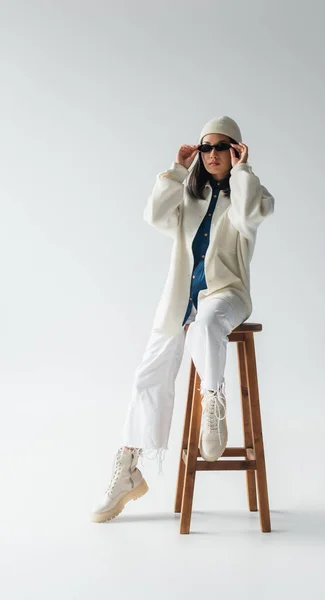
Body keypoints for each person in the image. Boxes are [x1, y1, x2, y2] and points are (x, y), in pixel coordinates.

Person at [91, 115, 275, 523]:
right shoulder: (189, 197)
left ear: (236, 151)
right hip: (180, 300)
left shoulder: (252, 194)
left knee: (208, 324)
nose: (212, 155)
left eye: (222, 147)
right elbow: (153, 215)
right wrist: (176, 170)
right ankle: (129, 467)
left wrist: (244, 171)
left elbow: (246, 219)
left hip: (227, 296)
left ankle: (213, 403)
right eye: (205, 148)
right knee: (147, 376)